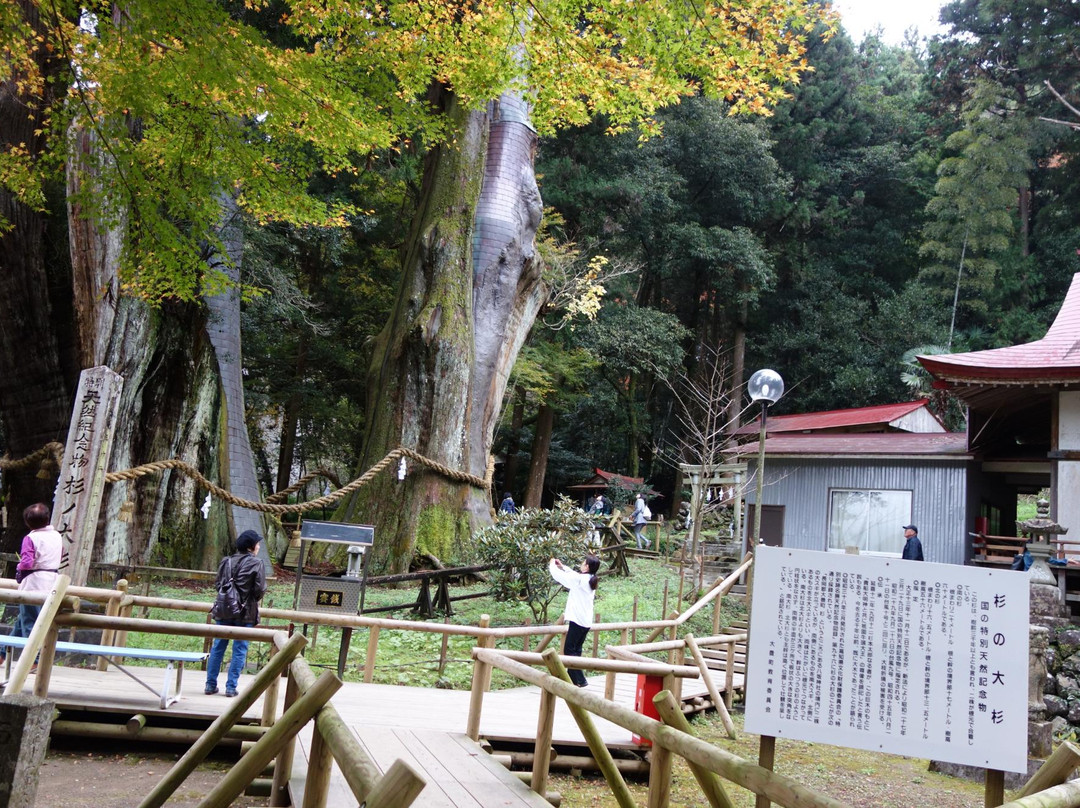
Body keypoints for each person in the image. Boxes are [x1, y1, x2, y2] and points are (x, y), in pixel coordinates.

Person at [205, 530, 267, 697]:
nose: (259, 546)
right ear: (251, 547)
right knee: (240, 649)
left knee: (218, 646)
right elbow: (260, 589)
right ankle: (231, 687)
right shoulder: (257, 563)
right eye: (258, 543)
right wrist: (247, 599)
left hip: (225, 610)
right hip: (245, 612)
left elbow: (219, 584)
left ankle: (210, 685)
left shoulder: (226, 561)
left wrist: (230, 599)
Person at [2, 503, 63, 667]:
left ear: (27, 522)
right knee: (22, 620)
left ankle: (33, 661)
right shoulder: (57, 535)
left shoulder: (31, 538)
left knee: (30, 623)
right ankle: (1, 653)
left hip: (33, 584)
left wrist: (19, 567)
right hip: (51, 581)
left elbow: (27, 563)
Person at [548, 555, 600, 687]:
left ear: (587, 566)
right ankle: (572, 680)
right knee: (576, 650)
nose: (581, 564)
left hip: (577, 621)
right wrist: (563, 566)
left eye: (583, 563)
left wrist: (552, 565)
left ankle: (581, 680)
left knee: (569, 650)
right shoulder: (589, 579)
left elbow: (563, 578)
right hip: (585, 622)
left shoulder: (581, 579)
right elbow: (573, 575)